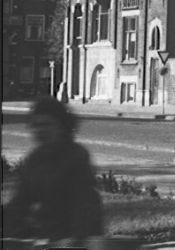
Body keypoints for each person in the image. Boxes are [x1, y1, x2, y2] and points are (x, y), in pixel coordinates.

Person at [2, 97, 104, 243]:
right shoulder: (35, 158)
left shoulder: (76, 156)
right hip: (43, 235)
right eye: (36, 126)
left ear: (62, 126)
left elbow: (85, 205)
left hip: (72, 236)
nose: (40, 130)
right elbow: (21, 201)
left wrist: (76, 240)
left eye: (46, 124)